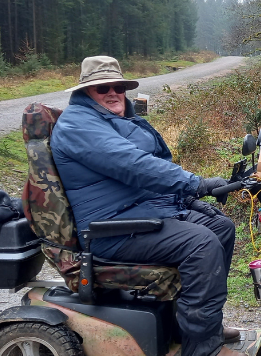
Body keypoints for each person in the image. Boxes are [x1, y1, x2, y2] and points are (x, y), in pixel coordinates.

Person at [51, 56, 242, 356]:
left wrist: (188, 199)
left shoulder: (115, 118)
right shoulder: (79, 124)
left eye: (118, 86)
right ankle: (202, 349)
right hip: (110, 229)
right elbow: (134, 165)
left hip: (141, 212)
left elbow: (149, 170)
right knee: (201, 245)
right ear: (87, 91)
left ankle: (201, 327)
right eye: (103, 88)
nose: (113, 92)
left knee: (220, 227)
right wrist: (196, 184)